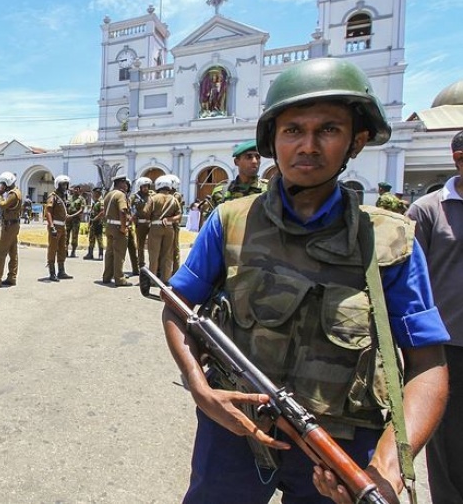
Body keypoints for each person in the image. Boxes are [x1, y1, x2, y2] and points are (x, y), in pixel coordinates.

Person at [162, 58, 449, 503]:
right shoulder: (232, 221)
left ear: (357, 140)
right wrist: (202, 391)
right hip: (237, 432)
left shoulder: (388, 239)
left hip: (340, 449)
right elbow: (177, 305)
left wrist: (386, 469)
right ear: (274, 141)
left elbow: (427, 365)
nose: (308, 146)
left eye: (329, 130)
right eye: (293, 130)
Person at [406, 129, 463, 503]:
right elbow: (408, 280)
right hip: (449, 343)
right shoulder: (429, 210)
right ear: (458, 158)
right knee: (450, 445)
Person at [199, 139, 268, 225]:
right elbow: (208, 227)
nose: (254, 161)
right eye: (249, 157)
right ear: (236, 162)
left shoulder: (269, 190)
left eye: (257, 157)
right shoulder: (221, 192)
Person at [141, 175, 181, 296]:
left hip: (155, 227)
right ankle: (166, 279)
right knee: (167, 255)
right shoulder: (174, 199)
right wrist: (170, 219)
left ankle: (153, 280)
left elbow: (145, 212)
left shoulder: (153, 198)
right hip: (169, 228)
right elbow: (179, 215)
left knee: (154, 254)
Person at [102, 174, 131, 287]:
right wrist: (124, 227)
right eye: (125, 183)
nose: (126, 186)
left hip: (109, 226)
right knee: (119, 253)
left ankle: (107, 276)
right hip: (118, 227)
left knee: (109, 253)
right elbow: (122, 211)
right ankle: (119, 278)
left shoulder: (108, 194)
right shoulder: (120, 195)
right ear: (121, 183)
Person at [44, 174, 73, 281]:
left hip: (62, 226)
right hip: (55, 226)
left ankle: (61, 271)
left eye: (66, 184)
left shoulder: (63, 198)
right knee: (53, 249)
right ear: (58, 185)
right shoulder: (53, 197)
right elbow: (48, 212)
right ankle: (52, 272)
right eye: (63, 185)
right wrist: (52, 226)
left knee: (62, 249)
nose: (65, 187)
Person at [131, 177, 153, 269]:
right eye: (144, 186)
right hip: (140, 224)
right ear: (139, 187)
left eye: (147, 186)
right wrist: (133, 217)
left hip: (151, 223)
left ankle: (153, 265)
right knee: (140, 245)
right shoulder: (134, 197)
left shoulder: (151, 196)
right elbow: (130, 208)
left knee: (153, 245)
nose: (146, 188)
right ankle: (141, 264)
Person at [83, 186, 105, 260]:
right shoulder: (95, 202)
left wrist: (96, 218)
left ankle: (101, 254)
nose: (93, 194)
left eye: (94, 193)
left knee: (99, 239)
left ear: (97, 193)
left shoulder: (101, 201)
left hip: (98, 223)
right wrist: (90, 222)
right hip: (93, 223)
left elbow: (102, 212)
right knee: (91, 239)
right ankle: (90, 253)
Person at [65, 183, 85, 258]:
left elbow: (81, 210)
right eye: (75, 189)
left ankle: (73, 251)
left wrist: (72, 216)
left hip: (76, 220)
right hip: (68, 219)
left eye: (77, 189)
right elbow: (65, 207)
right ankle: (65, 250)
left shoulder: (81, 199)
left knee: (74, 236)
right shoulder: (69, 198)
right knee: (66, 235)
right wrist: (66, 215)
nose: (76, 190)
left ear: (79, 191)